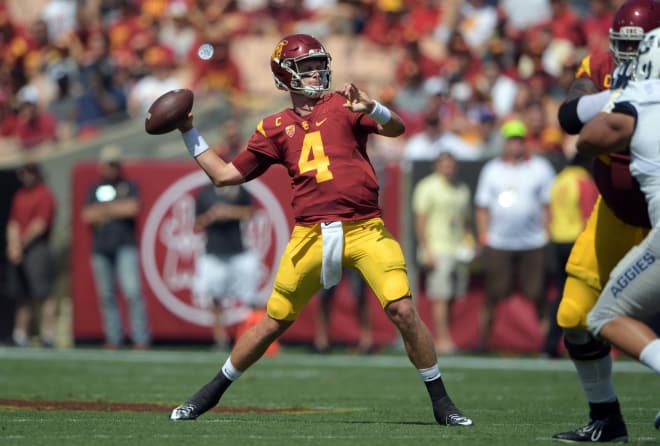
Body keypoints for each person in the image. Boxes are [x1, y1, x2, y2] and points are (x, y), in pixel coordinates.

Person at [166, 33, 473, 426]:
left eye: (318, 65)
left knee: (403, 309)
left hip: (365, 228)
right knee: (273, 321)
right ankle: (208, 394)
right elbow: (225, 176)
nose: (316, 73)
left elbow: (396, 129)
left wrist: (375, 107)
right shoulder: (273, 126)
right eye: (306, 67)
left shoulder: (346, 105)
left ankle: (442, 403)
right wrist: (188, 132)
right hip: (310, 234)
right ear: (284, 75)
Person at [552, 0, 660, 441]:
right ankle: (606, 417)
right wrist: (610, 93)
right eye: (622, 45)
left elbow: (581, 131)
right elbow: (573, 105)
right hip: (616, 213)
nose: (627, 54)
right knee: (575, 316)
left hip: (654, 219)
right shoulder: (602, 64)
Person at [474, 119, 556, 353]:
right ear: (504, 142)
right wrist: (484, 235)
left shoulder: (540, 168)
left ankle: (547, 344)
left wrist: (546, 232)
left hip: (533, 241)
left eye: (519, 140)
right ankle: (482, 343)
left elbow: (548, 204)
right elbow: (482, 206)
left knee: (538, 293)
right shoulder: (492, 169)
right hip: (499, 241)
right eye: (511, 140)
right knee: (492, 294)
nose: (515, 145)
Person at [81, 145, 150, 350]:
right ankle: (114, 337)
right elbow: (87, 215)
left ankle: (140, 338)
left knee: (132, 291)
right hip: (101, 248)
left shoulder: (129, 186)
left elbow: (132, 208)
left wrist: (104, 209)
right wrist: (115, 209)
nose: (111, 168)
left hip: (124, 245)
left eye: (115, 164)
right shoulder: (94, 188)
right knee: (106, 295)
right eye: (108, 164)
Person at [412, 151, 473, 354]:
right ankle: (442, 338)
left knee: (454, 295)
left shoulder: (461, 189)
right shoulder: (427, 187)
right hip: (437, 247)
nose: (448, 169)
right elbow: (420, 221)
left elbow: (464, 221)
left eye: (451, 165)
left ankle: (447, 335)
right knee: (441, 296)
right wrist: (426, 249)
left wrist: (468, 244)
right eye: (444, 165)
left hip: (456, 248)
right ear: (437, 166)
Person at [543, 153, 598, 358]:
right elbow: (588, 216)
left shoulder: (560, 179)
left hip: (558, 241)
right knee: (584, 294)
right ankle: (587, 342)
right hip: (577, 241)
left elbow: (550, 212)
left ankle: (550, 345)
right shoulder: (583, 180)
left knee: (560, 294)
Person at [192, 180, 259, 350]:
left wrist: (229, 212)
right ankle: (220, 338)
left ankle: (253, 334)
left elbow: (251, 212)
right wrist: (212, 216)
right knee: (214, 297)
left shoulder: (238, 189)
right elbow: (198, 223)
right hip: (214, 250)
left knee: (251, 296)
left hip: (238, 249)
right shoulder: (205, 193)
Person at [6, 161, 57, 347]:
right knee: (21, 294)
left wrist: (20, 244)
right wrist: (13, 246)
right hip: (19, 249)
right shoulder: (20, 195)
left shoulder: (44, 194)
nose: (25, 176)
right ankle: (20, 334)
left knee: (43, 293)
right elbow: (13, 222)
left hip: (37, 248)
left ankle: (48, 333)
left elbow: (39, 225)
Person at [313, 267, 372, 354]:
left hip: (352, 253)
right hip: (329, 253)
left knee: (360, 296)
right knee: (324, 297)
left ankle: (366, 341)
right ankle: (322, 341)